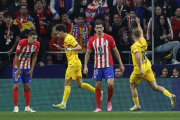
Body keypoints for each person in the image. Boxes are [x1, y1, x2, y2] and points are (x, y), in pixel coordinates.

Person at [129, 17, 176, 111]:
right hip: (147, 66)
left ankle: (137, 105)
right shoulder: (143, 41)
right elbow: (141, 32)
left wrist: (140, 69)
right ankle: (170, 95)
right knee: (155, 87)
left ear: (133, 37)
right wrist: (138, 23)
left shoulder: (134, 46)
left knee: (132, 86)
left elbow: (137, 56)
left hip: (139, 69)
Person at [52, 24, 103, 110]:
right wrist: (62, 49)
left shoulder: (69, 37)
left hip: (73, 64)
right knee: (80, 84)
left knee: (67, 83)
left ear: (62, 31)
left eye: (58, 33)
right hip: (76, 63)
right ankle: (99, 92)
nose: (57, 35)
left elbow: (79, 47)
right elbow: (70, 49)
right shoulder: (66, 39)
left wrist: (69, 49)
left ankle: (63, 104)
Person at [83, 21, 125, 112]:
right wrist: (85, 66)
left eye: (100, 28)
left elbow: (116, 51)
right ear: (94, 29)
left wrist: (121, 64)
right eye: (97, 28)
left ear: (103, 28)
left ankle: (109, 101)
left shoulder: (109, 38)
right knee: (97, 86)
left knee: (110, 84)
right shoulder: (91, 39)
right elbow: (87, 53)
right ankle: (98, 107)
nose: (98, 29)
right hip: (97, 66)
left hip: (108, 65)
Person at [13, 31, 40, 113]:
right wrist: (18, 69)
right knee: (16, 85)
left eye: (36, 38)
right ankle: (16, 107)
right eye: (33, 38)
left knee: (27, 86)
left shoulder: (37, 44)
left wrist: (32, 69)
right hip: (17, 66)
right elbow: (16, 56)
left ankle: (27, 107)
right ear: (28, 37)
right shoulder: (22, 43)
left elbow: (35, 56)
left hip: (27, 67)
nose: (35, 40)